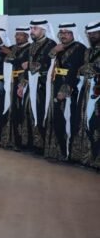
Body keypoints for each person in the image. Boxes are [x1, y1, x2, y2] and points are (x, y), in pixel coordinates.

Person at [43, 23, 87, 162]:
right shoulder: (58, 47)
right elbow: (46, 63)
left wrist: (66, 89)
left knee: (67, 119)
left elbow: (75, 70)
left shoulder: (79, 48)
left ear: (73, 34)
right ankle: (56, 151)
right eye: (61, 33)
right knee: (56, 118)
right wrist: (54, 51)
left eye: (67, 32)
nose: (63, 35)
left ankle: (67, 152)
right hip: (55, 85)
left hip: (70, 88)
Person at [21, 20, 57, 155]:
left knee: (40, 112)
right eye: (31, 28)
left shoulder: (51, 44)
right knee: (27, 111)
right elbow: (27, 68)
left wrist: (30, 66)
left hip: (43, 85)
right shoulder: (32, 46)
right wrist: (22, 84)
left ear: (43, 29)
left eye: (34, 28)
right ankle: (29, 143)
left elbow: (48, 64)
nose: (31, 31)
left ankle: (41, 145)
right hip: (31, 85)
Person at [69, 21, 100, 167]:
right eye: (90, 34)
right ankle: (82, 156)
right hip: (86, 89)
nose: (92, 36)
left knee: (95, 123)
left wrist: (93, 68)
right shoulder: (87, 51)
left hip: (97, 91)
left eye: (95, 33)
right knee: (81, 121)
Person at [0, 27, 31, 151]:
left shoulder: (30, 48)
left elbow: (24, 64)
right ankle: (8, 140)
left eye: (20, 35)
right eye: (16, 35)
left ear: (27, 36)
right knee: (9, 111)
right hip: (10, 82)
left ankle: (20, 142)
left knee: (19, 112)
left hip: (22, 83)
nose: (17, 37)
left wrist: (11, 54)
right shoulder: (12, 47)